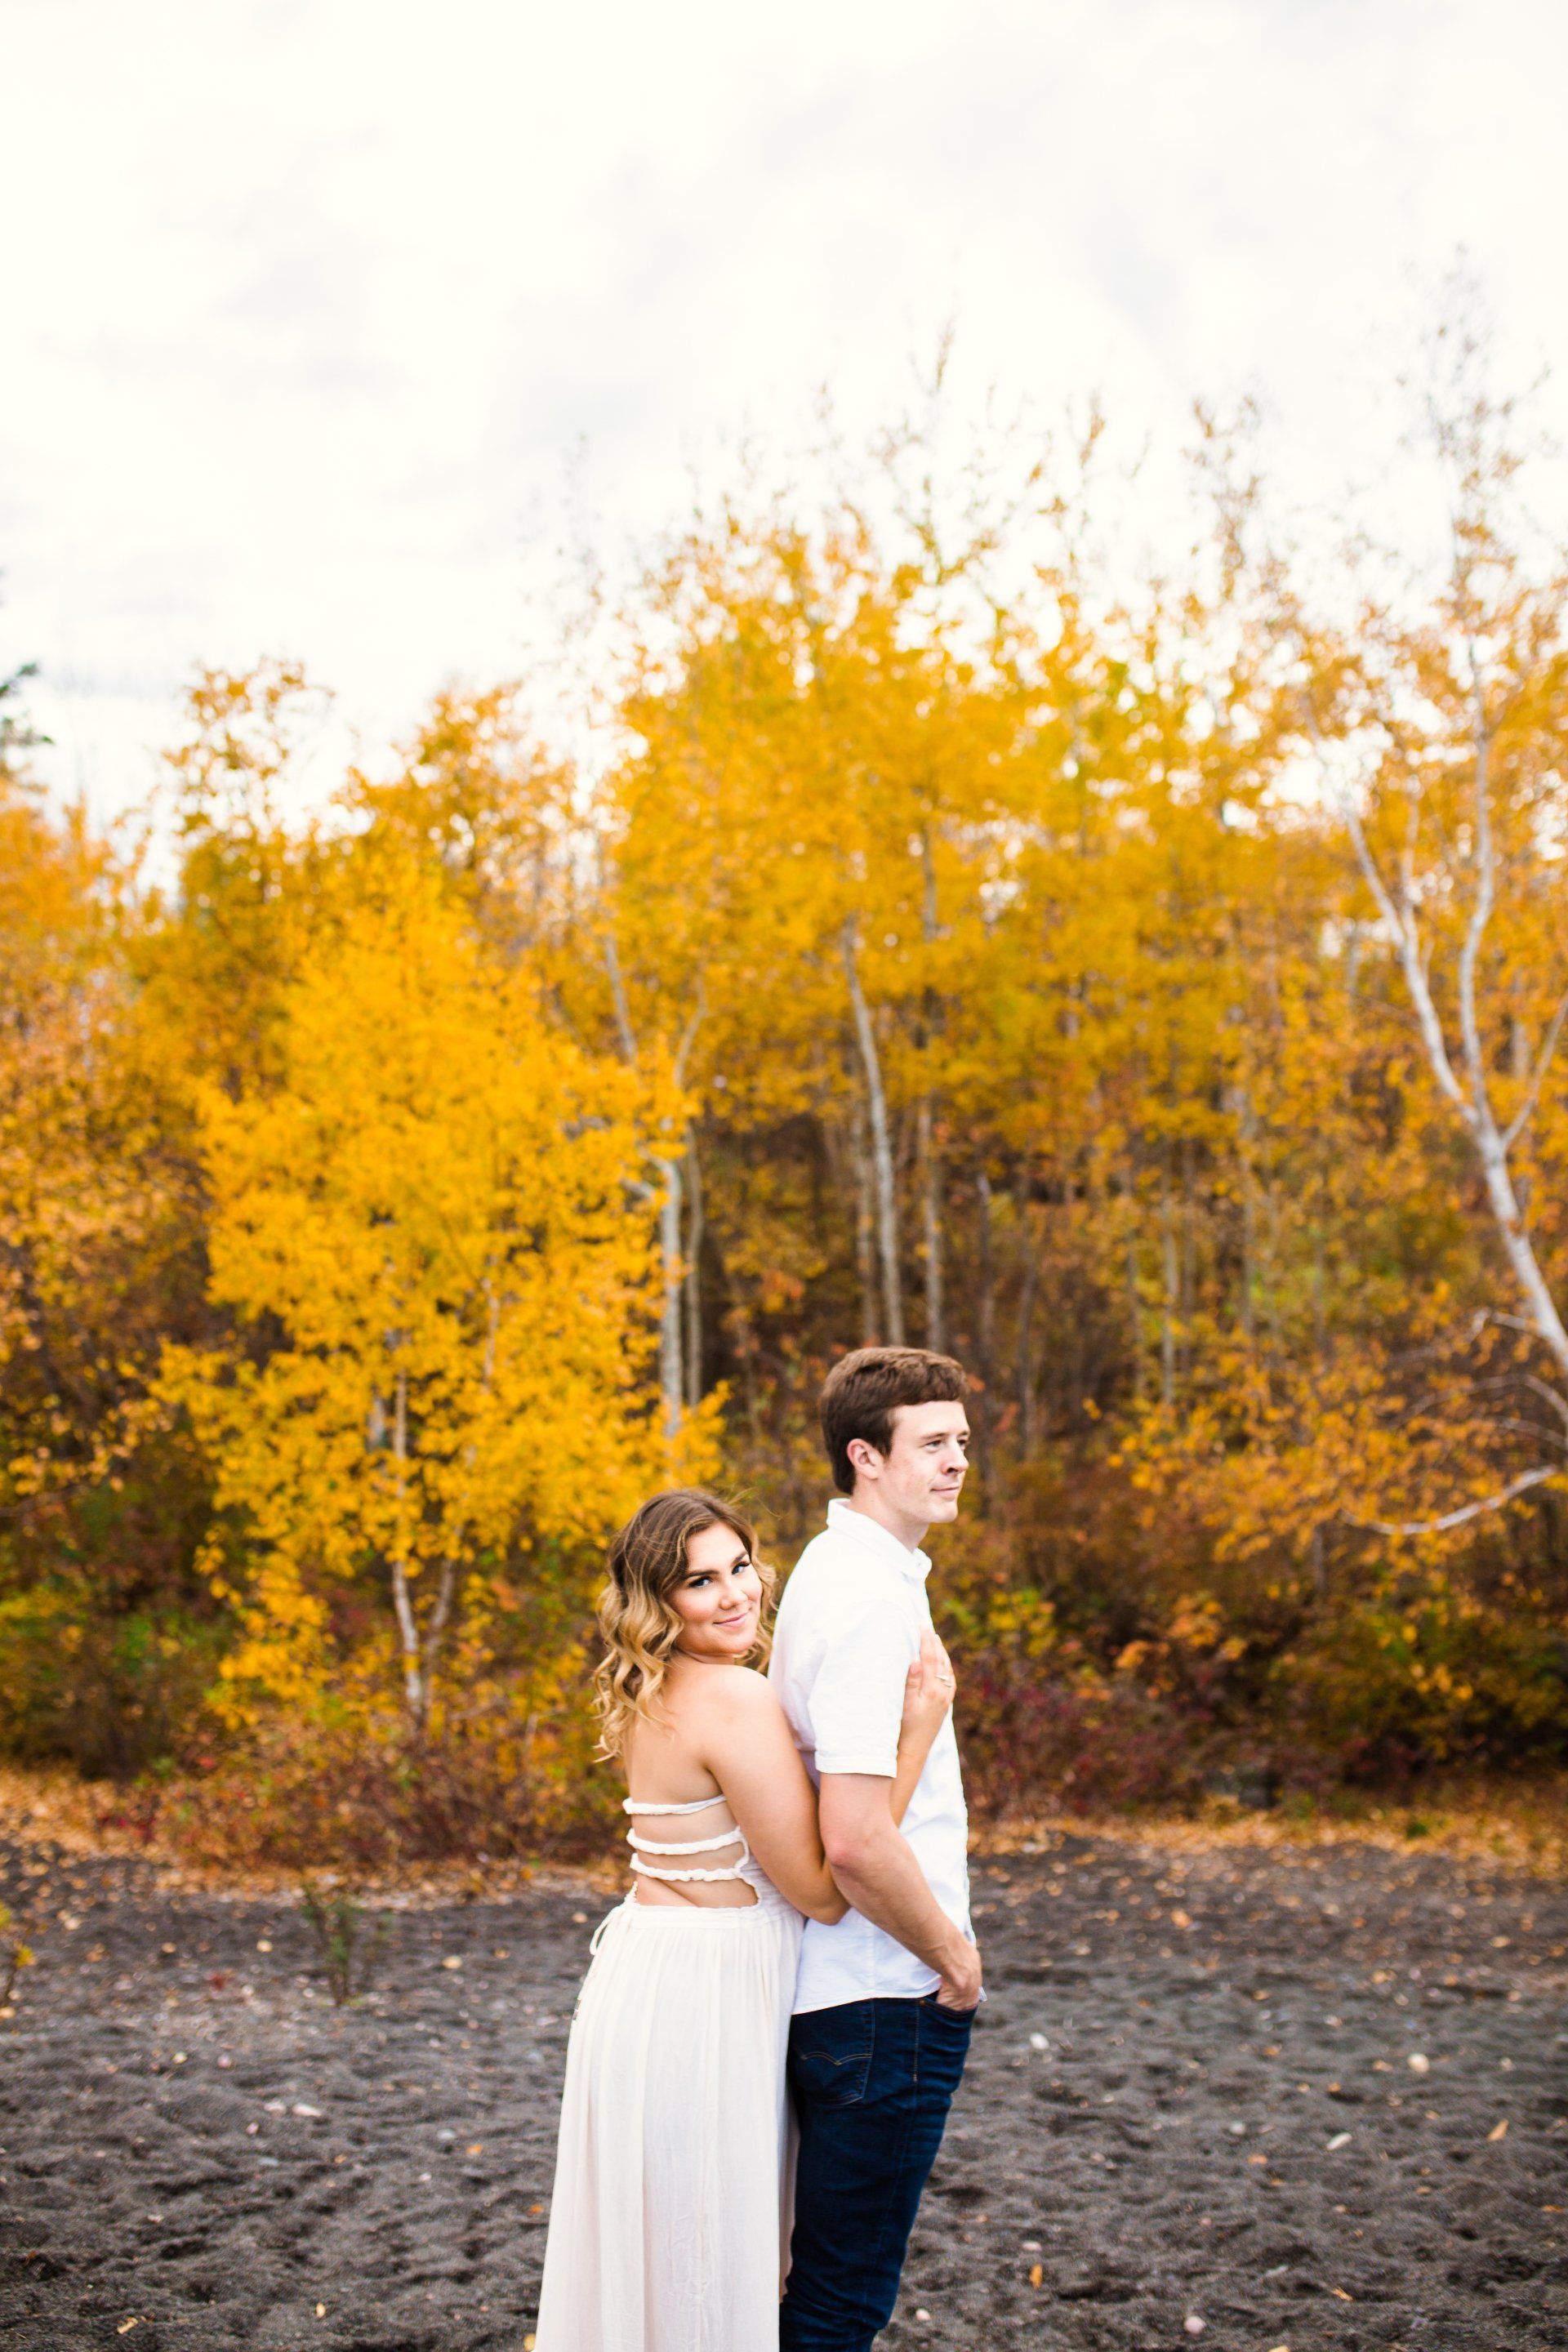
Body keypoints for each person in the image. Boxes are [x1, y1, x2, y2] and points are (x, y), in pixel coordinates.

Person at [533, 1486, 956, 2352]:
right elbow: (826, 1885)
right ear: (660, 1603)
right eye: (700, 1582)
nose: (735, 1594)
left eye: (739, 1567)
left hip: (646, 1976)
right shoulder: (732, 1698)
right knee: (706, 2262)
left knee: (659, 2251)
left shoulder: (654, 1691)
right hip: (707, 1996)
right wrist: (916, 1730)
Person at [770, 1345, 981, 2352]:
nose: (956, 1462)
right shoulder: (860, 1597)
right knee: (842, 2298)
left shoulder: (862, 1572)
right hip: (884, 1997)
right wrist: (951, 1955)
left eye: (963, 1442)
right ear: (864, 1453)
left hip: (857, 1994)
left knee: (825, 2282)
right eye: (932, 1443)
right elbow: (851, 1839)